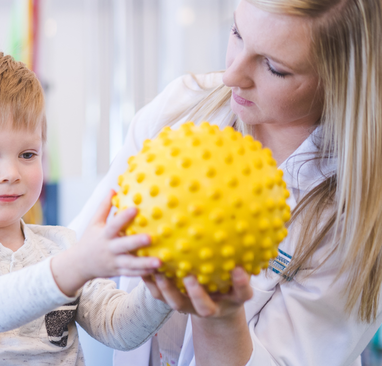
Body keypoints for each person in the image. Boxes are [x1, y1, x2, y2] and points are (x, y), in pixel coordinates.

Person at [68, 0, 382, 365]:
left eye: (274, 68)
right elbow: (71, 253)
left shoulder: (358, 218)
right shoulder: (181, 108)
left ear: (342, 81)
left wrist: (221, 318)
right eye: (236, 33)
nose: (232, 75)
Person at [0, 49, 175, 365]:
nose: (11, 174)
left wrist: (164, 287)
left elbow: (117, 327)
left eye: (28, 154)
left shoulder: (62, 246)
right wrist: (74, 267)